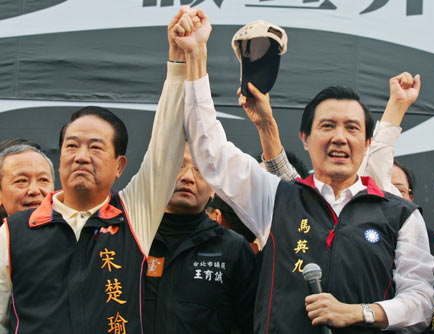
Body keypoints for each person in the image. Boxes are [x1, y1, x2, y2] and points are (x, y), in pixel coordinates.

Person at [174, 12, 434, 333]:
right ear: (306, 139)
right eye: (327, 126)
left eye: (351, 128)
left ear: (367, 143)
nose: (339, 136)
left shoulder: (401, 215)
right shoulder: (276, 198)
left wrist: (359, 312)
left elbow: (421, 301)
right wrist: (196, 55)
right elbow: (210, 152)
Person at [0, 8, 189, 333]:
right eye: (72, 146)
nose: (81, 156)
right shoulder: (12, 232)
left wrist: (179, 61)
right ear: (60, 159)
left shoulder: (134, 216)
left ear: (120, 166)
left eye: (96, 147)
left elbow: (166, 147)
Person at [144, 143, 257, 333]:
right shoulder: (131, 238)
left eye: (200, 170)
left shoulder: (233, 249)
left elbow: (252, 324)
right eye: (178, 165)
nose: (188, 177)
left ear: (214, 187)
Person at [0, 144, 54, 221]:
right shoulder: (3, 232)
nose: (34, 190)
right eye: (22, 181)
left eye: (43, 180)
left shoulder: (70, 231)